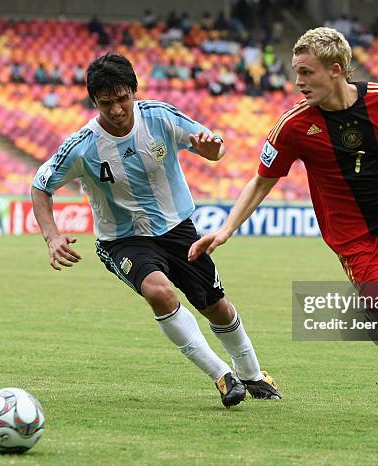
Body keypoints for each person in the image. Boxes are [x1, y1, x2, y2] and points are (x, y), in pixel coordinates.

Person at [189, 27, 378, 429]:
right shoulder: (294, 126)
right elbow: (261, 181)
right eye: (295, 72)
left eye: (306, 73)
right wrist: (227, 228)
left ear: (336, 70)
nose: (298, 82)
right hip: (355, 240)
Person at [31, 53, 281, 408]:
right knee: (158, 291)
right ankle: (222, 376)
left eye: (122, 99)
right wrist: (52, 236)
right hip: (123, 240)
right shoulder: (82, 146)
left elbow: (212, 146)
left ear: (134, 91)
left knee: (216, 307)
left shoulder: (160, 117)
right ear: (94, 102)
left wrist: (213, 150)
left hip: (178, 229)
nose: (117, 110)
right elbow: (41, 186)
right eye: (107, 103)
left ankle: (252, 373)